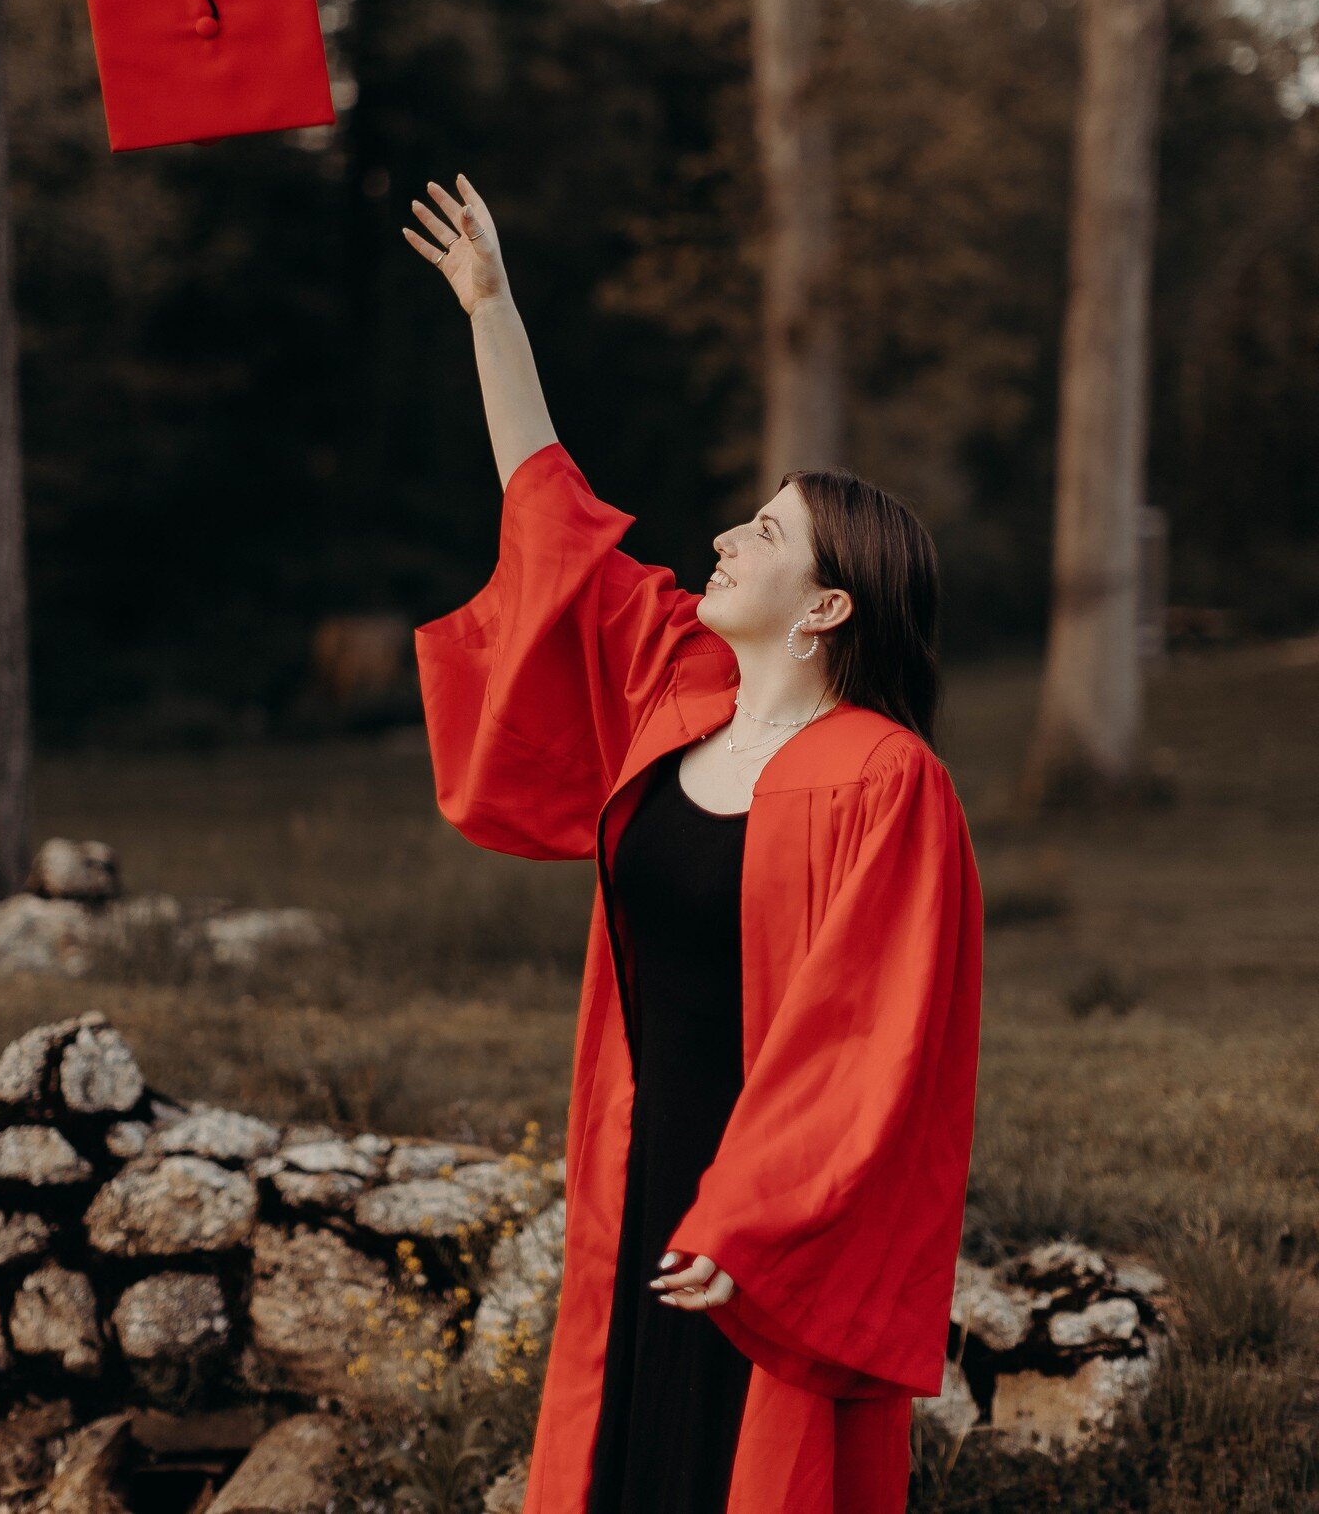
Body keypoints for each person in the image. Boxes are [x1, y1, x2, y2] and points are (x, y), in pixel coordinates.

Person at [405, 177, 984, 1514]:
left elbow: (868, 1037)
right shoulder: (677, 696)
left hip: (763, 1224)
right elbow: (556, 521)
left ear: (827, 605)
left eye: (766, 531)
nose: (725, 536)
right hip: (638, 1167)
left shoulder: (885, 785)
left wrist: (757, 1214)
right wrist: (493, 310)